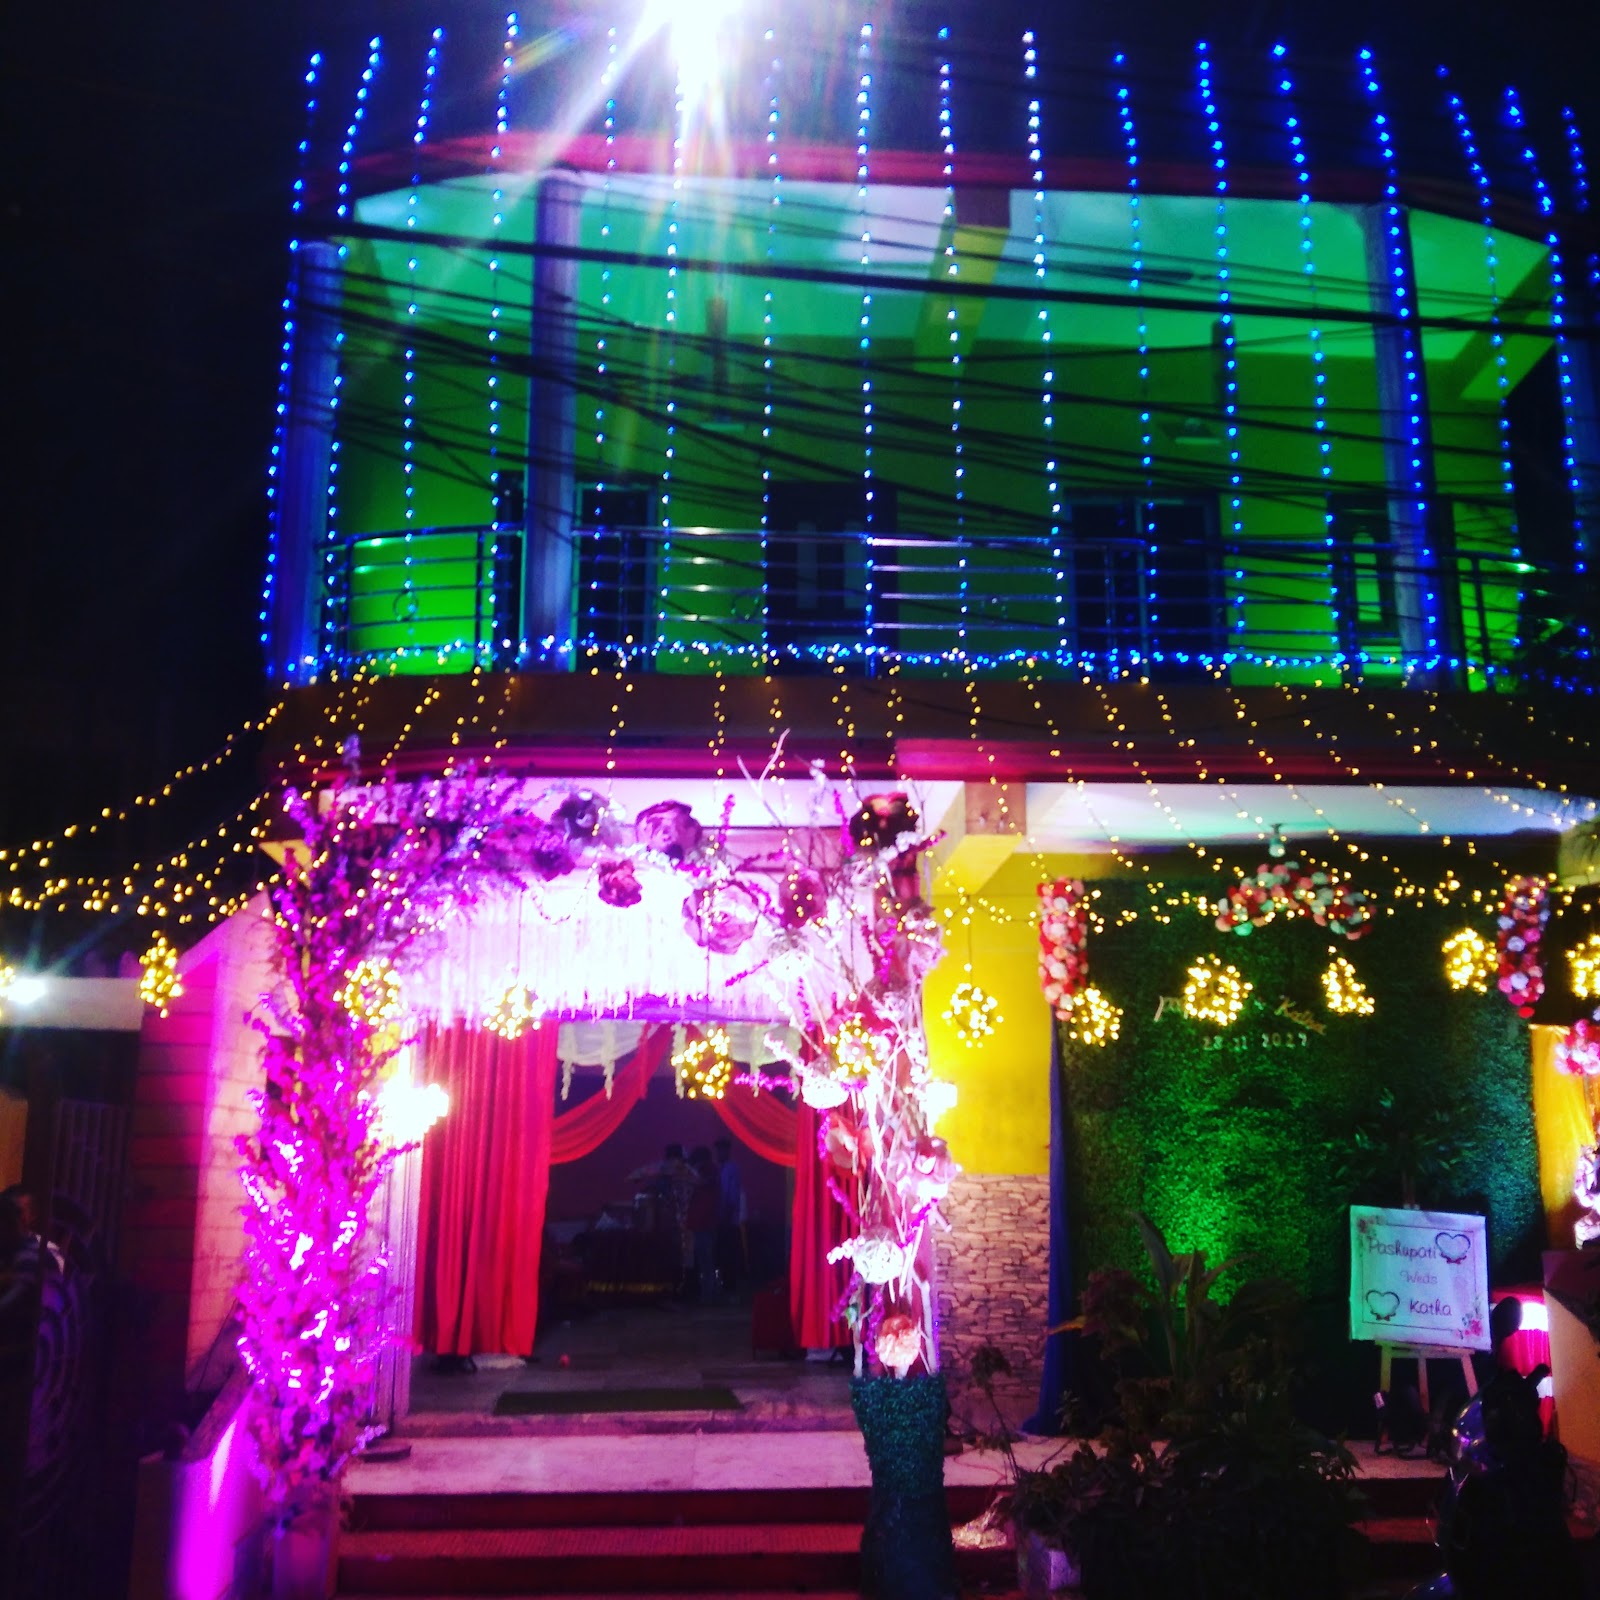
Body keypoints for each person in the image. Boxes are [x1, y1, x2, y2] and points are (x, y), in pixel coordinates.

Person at [685, 1147, 719, 1303]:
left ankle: (708, 1295)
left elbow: (702, 1182)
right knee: (705, 1260)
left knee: (706, 1261)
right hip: (702, 1223)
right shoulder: (706, 1172)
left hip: (704, 1223)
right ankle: (708, 1293)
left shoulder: (709, 1171)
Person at [713, 1137, 745, 1294]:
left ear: (726, 1151)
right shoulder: (724, 1169)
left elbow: (730, 1196)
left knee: (728, 1254)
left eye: (720, 1151)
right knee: (725, 1254)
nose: (718, 1154)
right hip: (725, 1218)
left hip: (728, 1219)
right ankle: (727, 1285)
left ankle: (729, 1286)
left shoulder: (730, 1169)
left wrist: (725, 1215)